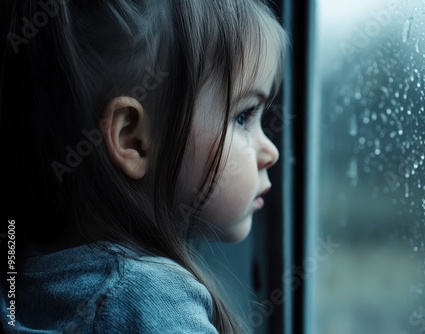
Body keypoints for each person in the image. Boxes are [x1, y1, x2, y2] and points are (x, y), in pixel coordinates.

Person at [0, 0, 287, 332]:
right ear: (133, 139)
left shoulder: (23, 277)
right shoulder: (148, 302)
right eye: (243, 116)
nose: (271, 152)